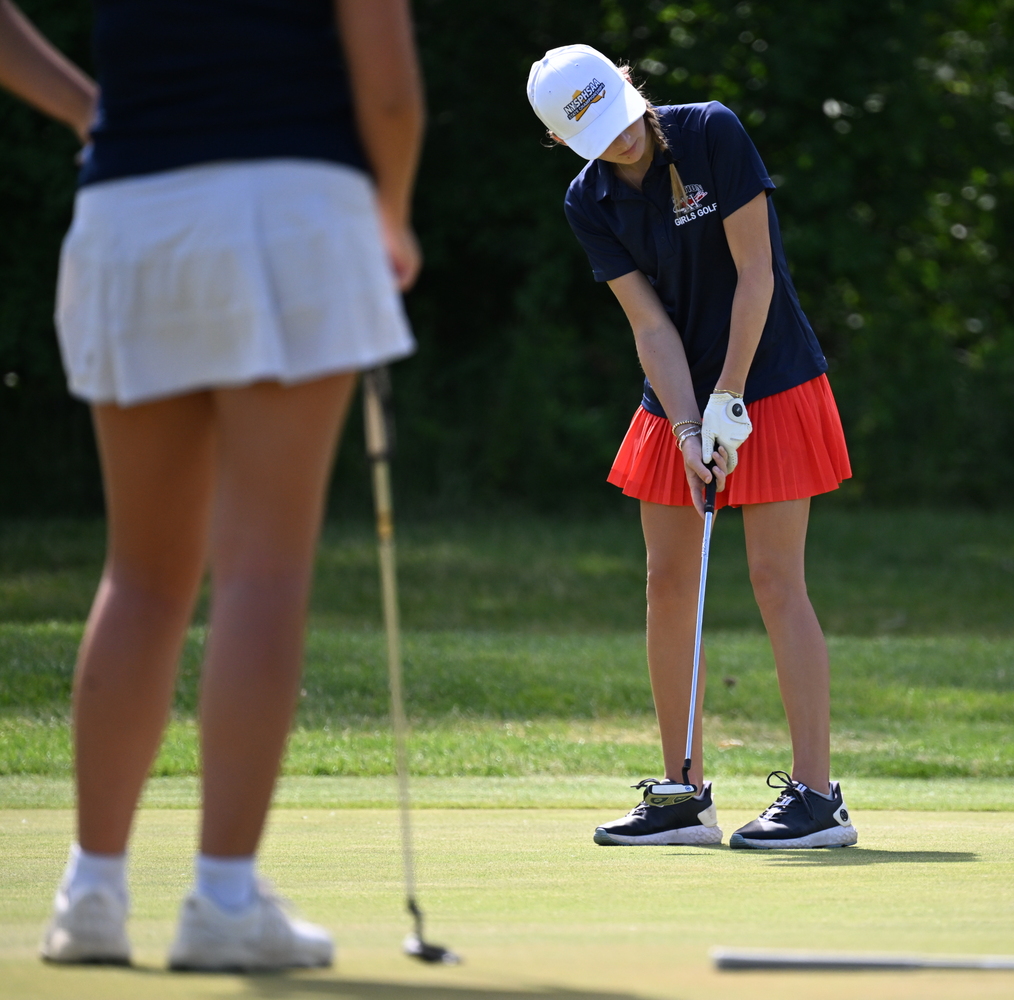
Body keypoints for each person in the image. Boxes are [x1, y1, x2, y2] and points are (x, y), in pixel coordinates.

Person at [0, 0, 423, 970]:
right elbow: (391, 92)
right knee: (261, 568)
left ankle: (90, 892)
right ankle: (224, 898)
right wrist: (391, 215)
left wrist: (85, 110)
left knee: (141, 572)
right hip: (288, 203)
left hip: (129, 205)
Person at [526, 45, 857, 850]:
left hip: (767, 379)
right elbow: (650, 325)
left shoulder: (710, 133)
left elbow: (756, 275)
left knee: (776, 580)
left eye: (619, 116)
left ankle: (819, 798)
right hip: (677, 397)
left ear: (629, 88)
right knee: (668, 581)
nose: (621, 141)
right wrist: (684, 426)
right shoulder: (589, 199)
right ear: (568, 145)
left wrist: (730, 397)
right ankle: (683, 792)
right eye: (596, 137)